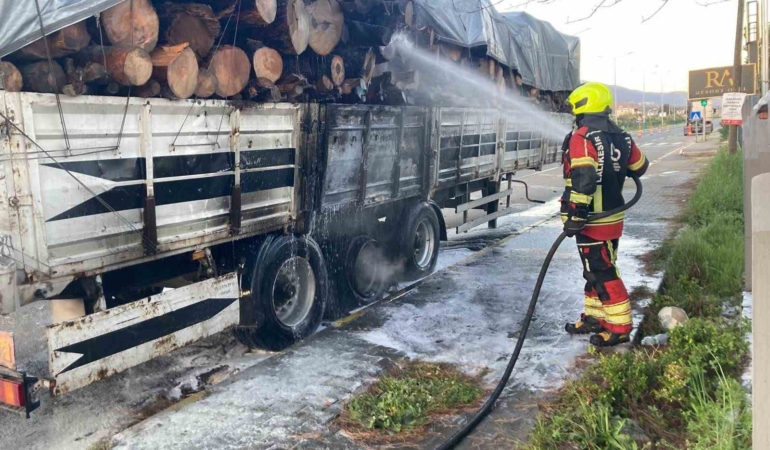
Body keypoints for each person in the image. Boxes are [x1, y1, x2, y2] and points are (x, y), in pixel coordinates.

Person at [560, 82, 649, 347]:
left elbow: (584, 179)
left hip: (591, 221)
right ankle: (595, 318)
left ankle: (620, 327)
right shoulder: (621, 135)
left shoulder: (583, 137)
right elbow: (640, 167)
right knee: (594, 270)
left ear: (581, 106)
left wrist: (575, 215)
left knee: (602, 271)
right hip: (613, 217)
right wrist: (613, 163)